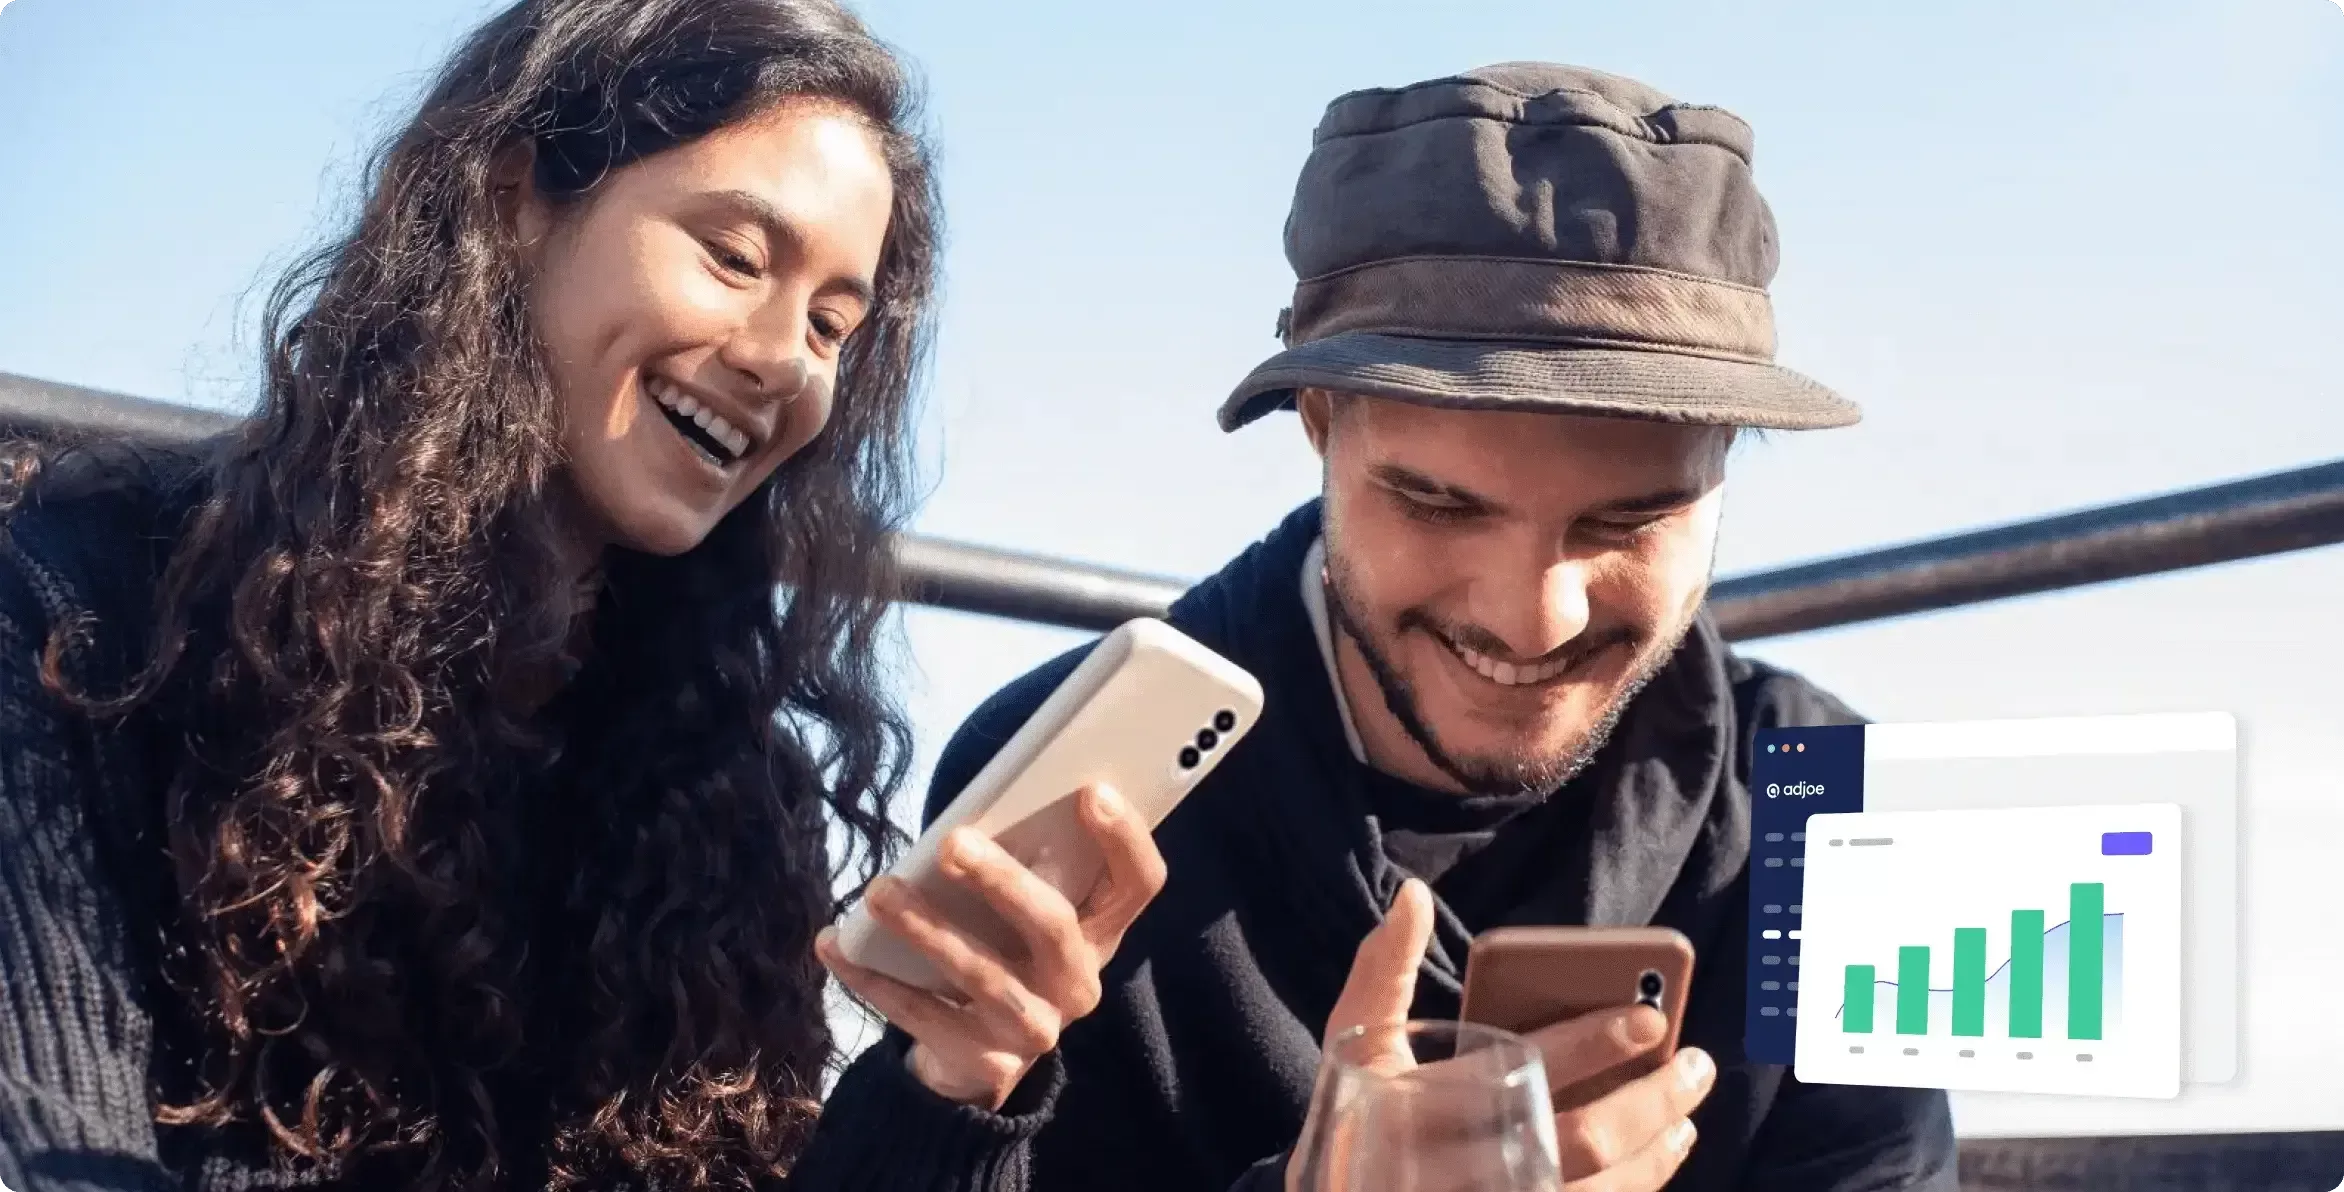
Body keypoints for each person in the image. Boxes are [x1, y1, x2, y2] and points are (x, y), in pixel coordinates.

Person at [0, 2, 1164, 1190]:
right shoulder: (81, 611)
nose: (783, 358)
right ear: (516, 201)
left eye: (831, 323)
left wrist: (954, 1081)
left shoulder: (737, 791)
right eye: (736, 256)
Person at [906, 63, 1961, 1191]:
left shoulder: (1833, 802)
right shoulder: (1074, 782)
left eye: (1629, 519)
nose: (1532, 613)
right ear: (1319, 424)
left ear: (1719, 476)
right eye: (1439, 504)